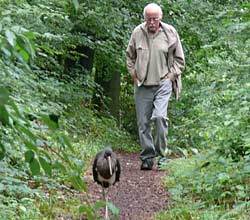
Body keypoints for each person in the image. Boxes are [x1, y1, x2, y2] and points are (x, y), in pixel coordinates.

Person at [126, 3, 185, 170]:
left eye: (155, 19)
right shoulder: (138, 32)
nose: (152, 22)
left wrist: (171, 76)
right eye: (149, 19)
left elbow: (180, 61)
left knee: (159, 117)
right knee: (143, 122)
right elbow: (129, 56)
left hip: (163, 83)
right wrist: (133, 73)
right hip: (143, 84)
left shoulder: (170, 33)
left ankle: (161, 155)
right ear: (145, 19)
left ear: (160, 18)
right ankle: (147, 157)